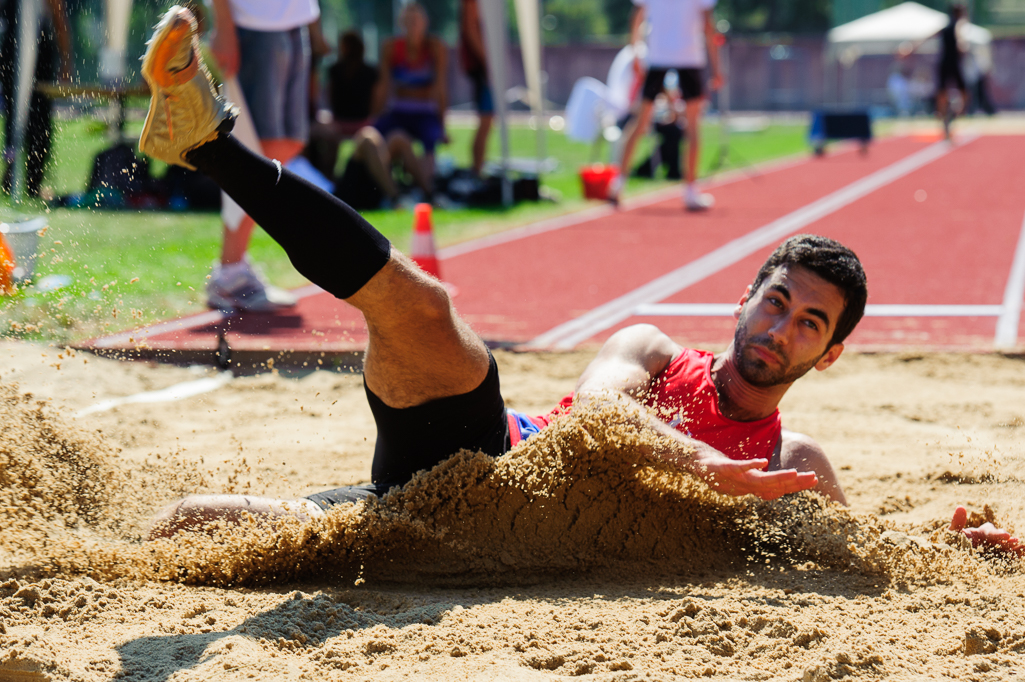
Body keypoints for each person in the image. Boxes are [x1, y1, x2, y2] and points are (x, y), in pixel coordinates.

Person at [137, 7, 1020, 556]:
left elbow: (854, 549)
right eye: (776, 301)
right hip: (476, 467)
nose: (780, 328)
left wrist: (937, 541)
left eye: (808, 325)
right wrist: (718, 474)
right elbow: (599, 421)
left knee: (189, 522)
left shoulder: (792, 466)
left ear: (826, 356)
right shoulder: (648, 346)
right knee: (427, 309)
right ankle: (208, 142)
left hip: (453, 549)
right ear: (742, 301)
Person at [202, 0, 320, 312]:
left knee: (285, 144)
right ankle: (229, 271)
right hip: (253, 22)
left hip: (294, 19)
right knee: (256, 149)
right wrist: (224, 26)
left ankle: (232, 269)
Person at [610, 0, 723, 211]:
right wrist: (716, 68)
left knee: (641, 121)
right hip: (687, 58)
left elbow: (636, 17)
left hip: (660, 56)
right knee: (691, 126)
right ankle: (690, 190)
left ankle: (618, 184)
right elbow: (709, 25)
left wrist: (635, 51)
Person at [371, 2, 448, 195]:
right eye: (408, 20)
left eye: (416, 20)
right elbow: (383, 86)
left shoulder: (434, 47)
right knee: (374, 137)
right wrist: (374, 117)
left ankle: (428, 190)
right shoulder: (391, 47)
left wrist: (443, 126)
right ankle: (383, 185)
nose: (413, 25)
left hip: (425, 111)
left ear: (425, 23)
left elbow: (440, 88)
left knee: (431, 140)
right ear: (401, 23)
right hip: (399, 111)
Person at [0, 0, 72, 198]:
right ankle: (13, 174)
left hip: (38, 55)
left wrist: (66, 61)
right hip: (12, 53)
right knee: (15, 121)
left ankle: (32, 180)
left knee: (39, 123)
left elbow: (59, 16)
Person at [305, 29, 379, 178]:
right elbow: (375, 103)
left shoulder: (337, 70)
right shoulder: (368, 71)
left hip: (350, 123)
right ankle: (329, 178)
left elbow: (330, 98)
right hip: (354, 122)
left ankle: (328, 178)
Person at [900, 3, 969, 140]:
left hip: (944, 63)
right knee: (962, 93)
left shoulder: (946, 27)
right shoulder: (958, 25)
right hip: (953, 64)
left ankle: (945, 116)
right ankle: (953, 113)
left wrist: (911, 47)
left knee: (942, 93)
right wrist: (962, 46)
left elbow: (928, 37)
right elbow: (960, 39)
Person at [333, 126, 432, 210]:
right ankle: (396, 199)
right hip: (353, 194)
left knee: (398, 138)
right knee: (368, 138)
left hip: (376, 189)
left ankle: (430, 195)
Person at [458, 0, 493, 176]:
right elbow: (470, 29)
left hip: (481, 66)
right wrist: (488, 61)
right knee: (486, 119)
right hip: (480, 67)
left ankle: (479, 169)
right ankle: (477, 170)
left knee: (488, 120)